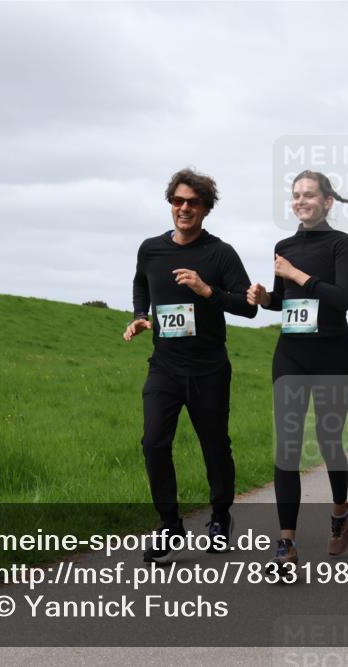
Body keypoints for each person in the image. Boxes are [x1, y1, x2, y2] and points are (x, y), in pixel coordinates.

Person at [247, 170, 348, 573]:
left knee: (327, 439)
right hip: (291, 354)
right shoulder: (284, 247)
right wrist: (265, 297)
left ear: (327, 201)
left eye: (309, 195)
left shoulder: (342, 244)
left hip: (333, 357)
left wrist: (295, 274)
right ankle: (286, 543)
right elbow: (285, 299)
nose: (301, 201)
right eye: (296, 195)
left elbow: (342, 298)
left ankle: (340, 510)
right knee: (288, 445)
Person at [124, 168, 257, 563]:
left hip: (208, 369)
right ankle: (170, 524)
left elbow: (248, 307)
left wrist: (206, 290)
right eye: (178, 201)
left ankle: (220, 516)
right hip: (164, 367)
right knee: (153, 443)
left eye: (193, 202)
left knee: (214, 445)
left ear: (206, 208)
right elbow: (141, 283)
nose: (184, 208)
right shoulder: (151, 249)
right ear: (171, 204)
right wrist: (140, 314)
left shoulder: (221, 253)